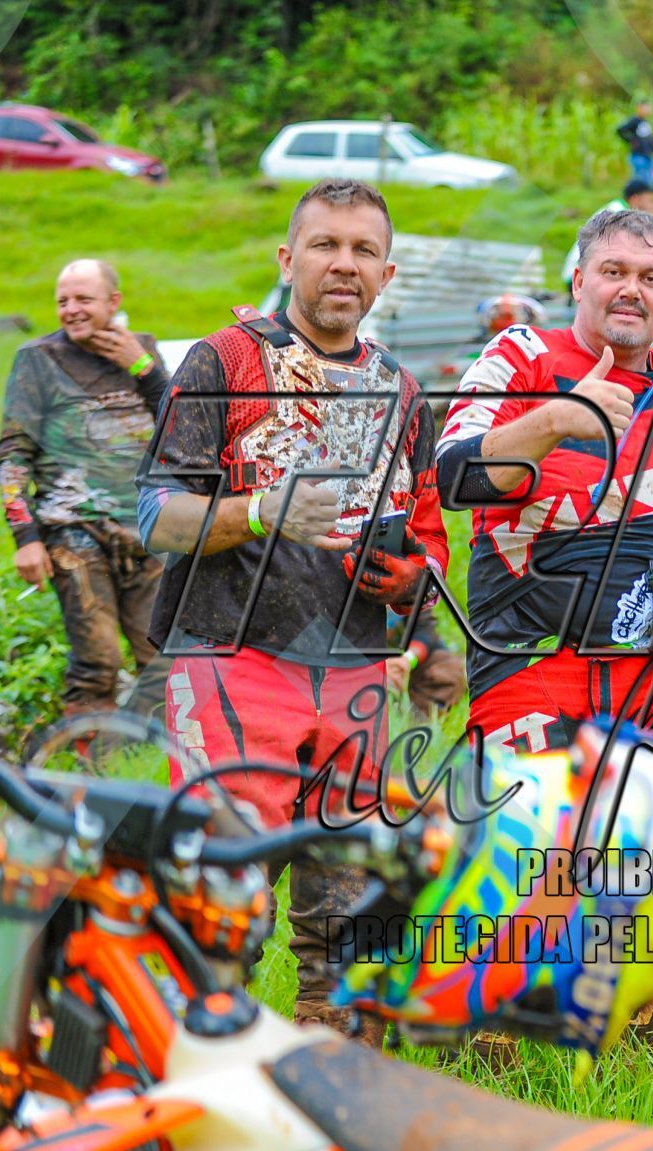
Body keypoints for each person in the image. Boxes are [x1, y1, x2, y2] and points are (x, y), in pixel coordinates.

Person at [137, 179, 445, 1047]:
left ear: (386, 273)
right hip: (231, 654)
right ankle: (193, 1069)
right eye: (324, 245)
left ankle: (334, 1075)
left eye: (363, 250)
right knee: (221, 894)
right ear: (287, 258)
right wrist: (260, 511)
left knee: (354, 899)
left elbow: (426, 533)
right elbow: (155, 516)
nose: (343, 264)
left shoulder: (401, 390)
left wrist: (411, 581)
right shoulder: (223, 362)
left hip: (354, 667)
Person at [437, 208, 653, 755]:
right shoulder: (522, 353)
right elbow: (452, 480)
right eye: (614, 272)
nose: (632, 290)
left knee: (639, 817)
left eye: (651, 277)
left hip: (644, 684)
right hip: (527, 669)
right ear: (579, 282)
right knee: (529, 816)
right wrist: (555, 419)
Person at [0, 259, 169, 719]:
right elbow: (13, 453)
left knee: (164, 658)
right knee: (98, 661)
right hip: (73, 532)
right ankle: (83, 755)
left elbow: (185, 426)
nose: (71, 309)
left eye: (83, 299)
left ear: (114, 302)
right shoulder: (38, 359)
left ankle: (143, 749)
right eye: (62, 301)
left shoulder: (143, 349)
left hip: (147, 529)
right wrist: (25, 537)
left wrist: (143, 367)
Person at [560, 178, 653, 289]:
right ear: (635, 199)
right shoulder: (620, 215)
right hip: (580, 275)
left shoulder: (617, 208)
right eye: (651, 201)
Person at [384, 612, 466, 720]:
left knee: (451, 670)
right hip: (369, 671)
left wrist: (406, 660)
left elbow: (426, 632)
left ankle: (414, 718)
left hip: (408, 669)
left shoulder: (413, 604)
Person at [615, 100, 653, 188]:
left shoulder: (645, 122)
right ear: (639, 108)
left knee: (649, 178)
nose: (648, 110)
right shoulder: (634, 120)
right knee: (640, 178)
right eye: (645, 108)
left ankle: (647, 194)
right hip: (638, 154)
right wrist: (632, 140)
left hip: (647, 154)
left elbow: (647, 137)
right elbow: (620, 130)